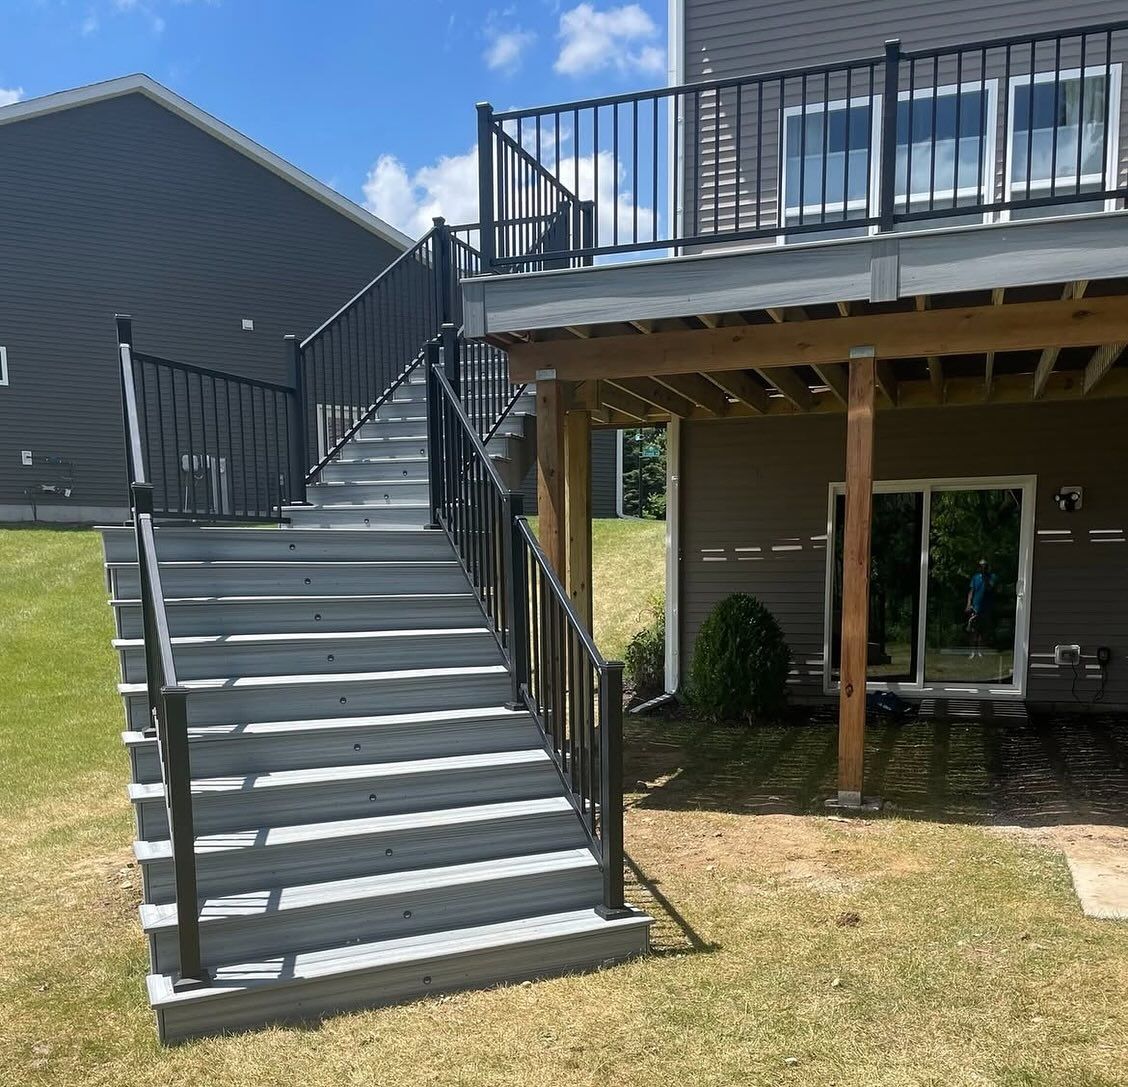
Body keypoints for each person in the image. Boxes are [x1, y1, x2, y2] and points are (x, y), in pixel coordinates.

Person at [965, 558, 998, 659]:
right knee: (973, 630)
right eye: (981, 566)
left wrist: (985, 579)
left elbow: (990, 588)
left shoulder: (992, 577)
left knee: (983, 631)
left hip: (986, 607)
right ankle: (972, 652)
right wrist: (968, 604)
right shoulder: (975, 578)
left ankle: (980, 651)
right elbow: (971, 591)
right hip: (975, 607)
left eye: (985, 566)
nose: (983, 568)